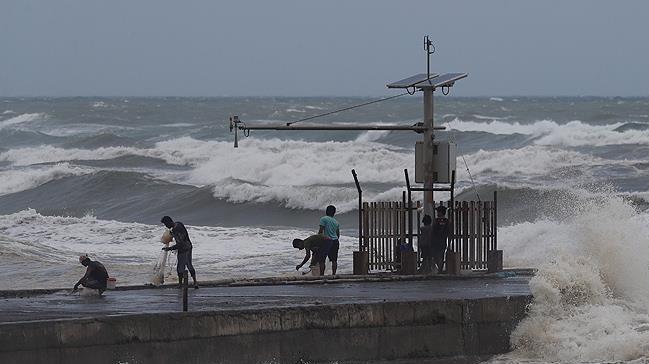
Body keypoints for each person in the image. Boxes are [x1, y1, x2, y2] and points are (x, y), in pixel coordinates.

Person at [161, 215, 198, 288]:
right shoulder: (179, 224)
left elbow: (180, 243)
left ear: (169, 222)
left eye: (166, 224)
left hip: (184, 249)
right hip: (188, 247)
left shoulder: (176, 229)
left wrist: (170, 248)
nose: (166, 226)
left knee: (180, 267)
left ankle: (181, 284)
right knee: (189, 265)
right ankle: (195, 282)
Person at [318, 205, 340, 275]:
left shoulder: (323, 219)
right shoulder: (336, 222)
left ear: (326, 211)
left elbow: (321, 231)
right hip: (335, 241)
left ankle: (321, 275)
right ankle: (334, 275)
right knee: (334, 260)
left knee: (322, 260)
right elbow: (338, 234)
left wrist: (318, 240)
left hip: (327, 241)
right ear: (334, 212)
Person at [431, 205, 450, 274]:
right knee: (441, 256)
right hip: (443, 241)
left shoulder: (436, 221)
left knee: (435, 255)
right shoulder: (447, 221)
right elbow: (448, 231)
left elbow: (433, 231)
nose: (437, 213)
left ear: (441, 212)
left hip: (436, 241)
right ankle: (440, 270)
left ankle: (439, 270)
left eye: (438, 211)